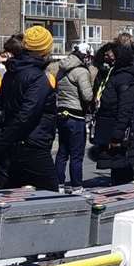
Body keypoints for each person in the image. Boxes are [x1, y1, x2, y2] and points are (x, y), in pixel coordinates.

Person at [0, 26, 58, 190]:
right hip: (33, 143)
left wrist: (4, 139)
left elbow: (4, 105)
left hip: (13, 143)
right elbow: (27, 114)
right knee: (52, 196)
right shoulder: (38, 77)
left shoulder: (12, 71)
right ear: (45, 49)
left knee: (12, 194)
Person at [91, 41, 134, 184]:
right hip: (113, 128)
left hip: (125, 132)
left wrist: (117, 135)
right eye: (105, 56)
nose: (106, 59)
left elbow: (126, 108)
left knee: (124, 170)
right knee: (117, 169)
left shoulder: (124, 77)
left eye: (109, 56)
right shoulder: (110, 75)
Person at [53, 42, 96, 189]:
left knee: (62, 153)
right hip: (76, 116)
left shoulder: (61, 69)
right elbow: (87, 96)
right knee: (76, 155)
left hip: (61, 114)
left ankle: (58, 183)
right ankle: (77, 186)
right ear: (84, 56)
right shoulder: (81, 71)